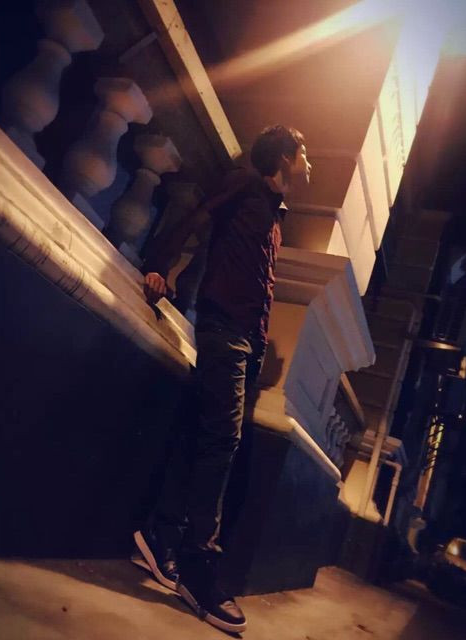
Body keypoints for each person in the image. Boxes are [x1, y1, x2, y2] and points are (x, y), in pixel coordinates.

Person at [135, 125, 311, 633]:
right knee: (222, 441)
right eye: (304, 153)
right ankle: (198, 566)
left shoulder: (275, 214)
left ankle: (161, 537)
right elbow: (196, 218)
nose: (309, 163)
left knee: (203, 435)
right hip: (224, 329)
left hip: (247, 341)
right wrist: (158, 265)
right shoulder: (244, 183)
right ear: (284, 156)